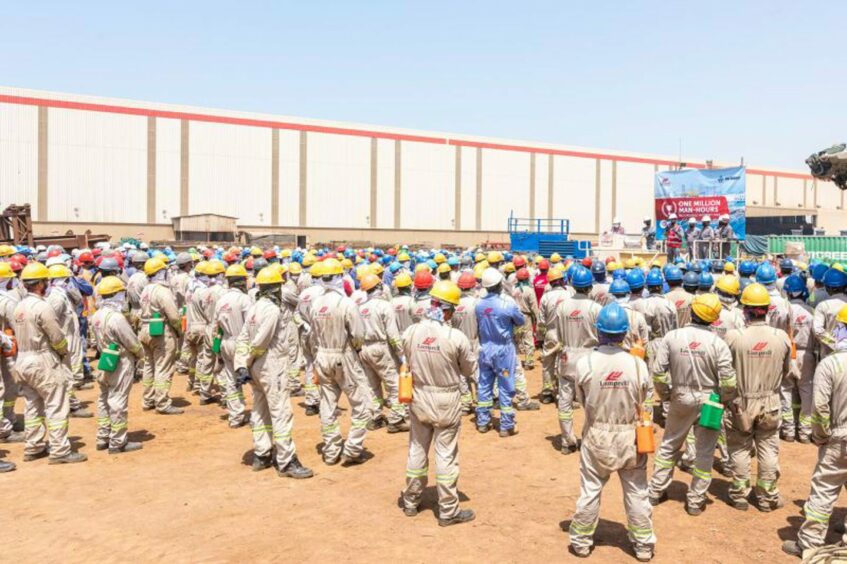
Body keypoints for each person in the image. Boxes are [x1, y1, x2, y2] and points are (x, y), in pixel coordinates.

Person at [568, 302, 655, 561]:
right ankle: (643, 545)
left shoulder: (586, 364)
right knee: (637, 491)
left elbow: (581, 400)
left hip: (597, 434)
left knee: (591, 489)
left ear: (599, 331)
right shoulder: (638, 365)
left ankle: (581, 541)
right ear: (624, 333)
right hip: (631, 435)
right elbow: (646, 402)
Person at [649, 295, 736, 516]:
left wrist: (666, 395)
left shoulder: (673, 337)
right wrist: (723, 401)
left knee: (669, 444)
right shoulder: (719, 344)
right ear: (715, 318)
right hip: (710, 402)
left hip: (680, 397)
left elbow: (658, 373)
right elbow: (728, 381)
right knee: (705, 451)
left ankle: (655, 491)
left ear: (692, 311)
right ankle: (696, 500)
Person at [400, 280, 477, 526]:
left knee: (417, 449)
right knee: (445, 454)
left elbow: (406, 359)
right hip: (446, 398)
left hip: (419, 395)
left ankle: (411, 500)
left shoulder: (411, 332)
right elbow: (468, 370)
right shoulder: (456, 337)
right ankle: (448, 510)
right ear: (447, 309)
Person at [234, 266, 313, 479]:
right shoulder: (272, 310)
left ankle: (262, 453)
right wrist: (248, 359)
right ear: (276, 288)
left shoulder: (254, 307)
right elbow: (260, 341)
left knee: (260, 410)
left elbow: (242, 337)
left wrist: (241, 364)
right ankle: (287, 460)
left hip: (256, 366)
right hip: (271, 364)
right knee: (281, 412)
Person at [781, 305, 847, 558]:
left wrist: (820, 435)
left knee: (824, 489)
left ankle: (809, 542)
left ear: (839, 329)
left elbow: (819, 408)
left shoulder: (830, 365)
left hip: (838, 438)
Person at [724, 283, 792, 511]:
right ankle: (766, 497)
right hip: (770, 401)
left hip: (741, 402)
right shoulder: (780, 337)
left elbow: (725, 371)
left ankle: (740, 495)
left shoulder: (734, 337)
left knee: (740, 448)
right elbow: (786, 371)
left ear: (745, 309)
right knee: (768, 448)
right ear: (767, 309)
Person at [13, 263, 87, 464]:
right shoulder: (42, 306)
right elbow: (56, 337)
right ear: (41, 284)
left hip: (23, 360)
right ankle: (60, 450)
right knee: (56, 404)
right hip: (43, 359)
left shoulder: (19, 306)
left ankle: (34, 446)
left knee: (33, 406)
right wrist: (63, 353)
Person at [310, 258, 373, 466]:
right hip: (343, 356)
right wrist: (355, 351)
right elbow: (357, 334)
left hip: (321, 356)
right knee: (362, 404)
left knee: (327, 405)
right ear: (339, 277)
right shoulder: (345, 303)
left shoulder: (316, 304)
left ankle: (331, 450)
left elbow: (312, 337)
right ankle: (353, 449)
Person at [90, 276, 144, 454]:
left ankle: (103, 437)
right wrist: (140, 355)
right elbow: (131, 341)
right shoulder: (116, 318)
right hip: (120, 361)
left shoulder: (96, 315)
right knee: (118, 400)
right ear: (116, 295)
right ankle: (118, 441)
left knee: (104, 400)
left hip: (105, 359)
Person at [552, 266, 600, 455]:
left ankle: (567, 440)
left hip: (567, 356)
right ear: (589, 287)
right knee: (591, 402)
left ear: (572, 284)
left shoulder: (562, 306)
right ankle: (588, 440)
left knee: (564, 401)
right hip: (589, 359)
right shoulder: (596, 308)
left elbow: (559, 335)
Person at [475, 268, 525, 437]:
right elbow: (520, 320)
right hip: (503, 350)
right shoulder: (507, 304)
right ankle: (506, 425)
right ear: (499, 285)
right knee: (505, 385)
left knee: (484, 385)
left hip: (485, 349)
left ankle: (482, 421)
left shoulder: (479, 304)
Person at [357, 273, 408, 433]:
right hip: (381, 348)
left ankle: (376, 417)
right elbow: (392, 335)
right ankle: (396, 419)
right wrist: (401, 354)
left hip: (364, 348)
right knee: (393, 384)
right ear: (379, 287)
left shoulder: (360, 307)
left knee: (372, 385)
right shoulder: (384, 306)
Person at [138, 258, 184, 415]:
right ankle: (162, 402)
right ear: (161, 272)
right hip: (161, 331)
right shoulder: (162, 291)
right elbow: (174, 316)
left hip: (145, 329)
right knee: (163, 367)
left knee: (149, 366)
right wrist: (178, 331)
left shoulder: (146, 290)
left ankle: (148, 399)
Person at [212, 264, 252, 428]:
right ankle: (259, 416)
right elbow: (251, 324)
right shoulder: (245, 299)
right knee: (255, 380)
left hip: (225, 342)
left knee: (231, 380)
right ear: (242, 281)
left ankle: (235, 417)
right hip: (241, 343)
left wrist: (217, 350)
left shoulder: (221, 300)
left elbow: (216, 327)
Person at [782, 274, 816, 443]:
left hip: (789, 352)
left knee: (786, 390)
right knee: (807, 391)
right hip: (807, 354)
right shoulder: (811, 311)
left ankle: (788, 430)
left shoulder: (784, 308)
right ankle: (804, 432)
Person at [538, 266, 569, 404]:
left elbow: (541, 321)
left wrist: (539, 338)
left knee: (548, 363)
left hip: (550, 333)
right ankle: (562, 393)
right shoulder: (569, 295)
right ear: (562, 281)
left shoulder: (545, 297)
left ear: (550, 282)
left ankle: (547, 393)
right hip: (565, 333)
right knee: (563, 364)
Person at [451, 272, 480, 414]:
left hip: (458, 341)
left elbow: (452, 324)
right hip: (474, 341)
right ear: (473, 286)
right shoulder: (477, 303)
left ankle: (466, 403)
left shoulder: (454, 304)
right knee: (477, 372)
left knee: (462, 373)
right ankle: (482, 401)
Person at [813, 266, 847, 356]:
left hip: (829, 355)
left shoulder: (823, 306)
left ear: (828, 287)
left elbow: (818, 330)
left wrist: (834, 343)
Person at [512, 268, 539, 369]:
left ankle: (515, 362)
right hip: (526, 317)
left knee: (516, 338)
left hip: (515, 316)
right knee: (528, 338)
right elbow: (534, 307)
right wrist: (537, 319)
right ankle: (529, 362)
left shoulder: (514, 288)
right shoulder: (529, 290)